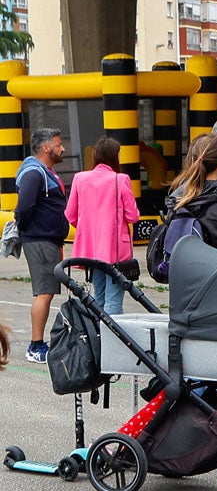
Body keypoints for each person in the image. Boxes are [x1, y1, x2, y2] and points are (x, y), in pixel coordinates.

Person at [64, 137, 138, 316]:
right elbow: (132, 215)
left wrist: (86, 228)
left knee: (99, 297)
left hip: (91, 249)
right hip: (116, 249)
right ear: (115, 157)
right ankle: (111, 341)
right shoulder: (120, 179)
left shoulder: (80, 179)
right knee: (114, 299)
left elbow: (70, 214)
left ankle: (97, 335)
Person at [14, 127, 70, 364]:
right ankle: (36, 346)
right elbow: (24, 208)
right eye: (58, 144)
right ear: (46, 147)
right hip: (39, 240)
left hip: (47, 239)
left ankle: (38, 343)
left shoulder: (45, 172)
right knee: (44, 293)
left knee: (46, 291)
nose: (62, 148)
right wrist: (34, 229)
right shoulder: (34, 174)